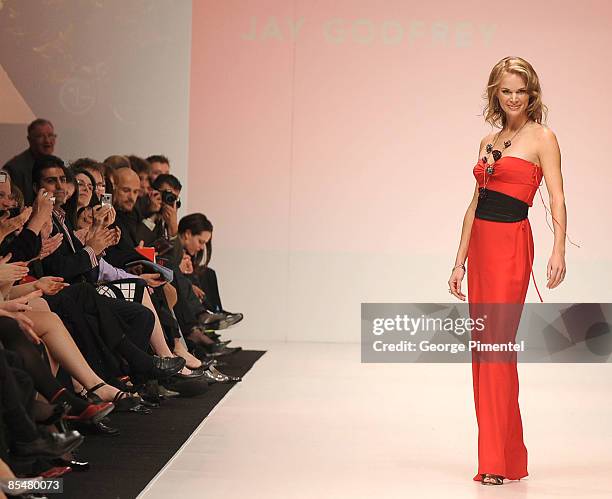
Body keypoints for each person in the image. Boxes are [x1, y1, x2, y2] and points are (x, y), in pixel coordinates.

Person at [448, 56, 568, 486]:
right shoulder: (487, 141)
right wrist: (459, 261)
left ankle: (496, 460)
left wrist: (558, 250)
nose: (514, 97)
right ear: (495, 94)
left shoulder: (542, 137)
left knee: (497, 347)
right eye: (506, 90)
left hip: (512, 245)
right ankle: (507, 457)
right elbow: (474, 204)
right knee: (484, 351)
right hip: (481, 246)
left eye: (521, 90)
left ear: (531, 93)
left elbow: (556, 197)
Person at [3, 119, 56, 206]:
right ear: (30, 139)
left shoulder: (56, 165)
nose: (47, 141)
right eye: (40, 136)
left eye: (50, 135)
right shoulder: (14, 168)